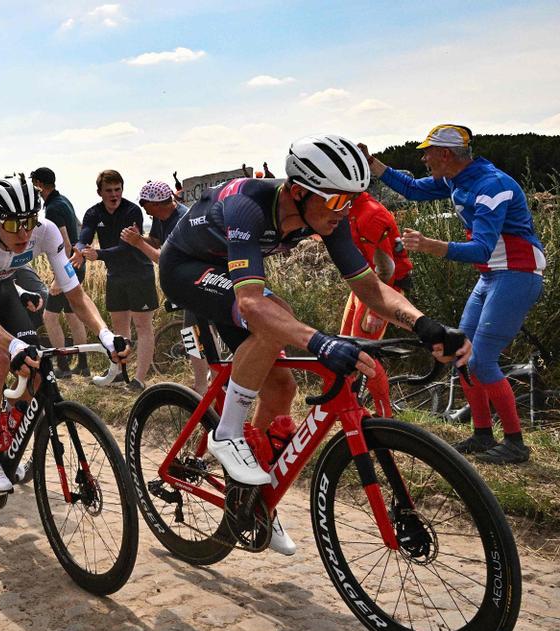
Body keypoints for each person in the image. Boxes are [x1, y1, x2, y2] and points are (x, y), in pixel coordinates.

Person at [159, 134, 470, 556]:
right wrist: (320, 342)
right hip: (186, 268)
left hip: (229, 276)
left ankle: (252, 502)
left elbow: (371, 289)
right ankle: (227, 434)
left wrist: (425, 325)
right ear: (301, 191)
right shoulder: (248, 205)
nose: (347, 212)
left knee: (283, 387)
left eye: (353, 201)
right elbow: (251, 302)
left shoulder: (329, 217)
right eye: (339, 201)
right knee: (274, 312)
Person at [0, 175, 132, 493]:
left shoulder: (47, 231)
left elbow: (76, 295)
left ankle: (9, 432)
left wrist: (106, 335)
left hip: (0, 283)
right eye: (13, 225)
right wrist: (13, 346)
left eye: (29, 221)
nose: (24, 233)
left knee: (37, 365)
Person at [362, 125, 545, 464]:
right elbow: (414, 190)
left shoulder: (492, 186)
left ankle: (516, 443)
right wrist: (374, 165)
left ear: (445, 155)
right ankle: (482, 434)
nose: (423, 157)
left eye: (427, 152)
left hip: (518, 274)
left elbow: (480, 249)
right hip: (493, 275)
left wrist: (433, 246)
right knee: (459, 349)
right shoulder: (456, 178)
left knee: (482, 359)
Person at [119, 180, 209, 393]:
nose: (146, 212)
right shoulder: (163, 216)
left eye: (146, 206)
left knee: (196, 334)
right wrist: (141, 238)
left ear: (157, 204)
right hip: (190, 285)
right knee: (194, 333)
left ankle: (206, 386)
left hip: (201, 283)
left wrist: (138, 244)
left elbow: (164, 259)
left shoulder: (182, 220)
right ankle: (205, 384)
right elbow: (158, 242)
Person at [74, 170, 153, 391]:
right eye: (109, 190)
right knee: (119, 328)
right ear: (100, 192)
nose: (114, 194)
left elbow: (126, 248)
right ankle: (120, 373)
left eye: (117, 189)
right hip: (115, 275)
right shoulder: (93, 213)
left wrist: (98, 255)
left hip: (140, 274)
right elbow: (84, 238)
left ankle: (139, 379)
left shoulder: (132, 211)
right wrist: (79, 251)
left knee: (142, 326)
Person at [31, 167, 90, 378]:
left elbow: (64, 245)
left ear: (39, 184)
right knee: (73, 316)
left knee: (50, 317)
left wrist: (58, 278)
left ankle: (63, 366)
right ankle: (83, 365)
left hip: (67, 268)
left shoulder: (53, 208)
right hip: (77, 265)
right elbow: (79, 229)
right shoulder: (64, 200)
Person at [339, 191, 413, 339]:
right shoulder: (353, 208)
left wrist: (377, 312)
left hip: (381, 287)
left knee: (361, 352)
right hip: (365, 282)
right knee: (344, 344)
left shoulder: (369, 216)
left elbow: (386, 269)